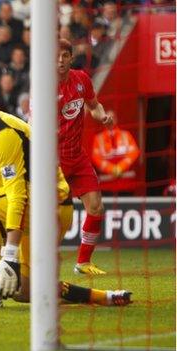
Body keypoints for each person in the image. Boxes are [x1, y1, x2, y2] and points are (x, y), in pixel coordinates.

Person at [0, 69, 131, 308]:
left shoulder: (4, 134)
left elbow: (17, 194)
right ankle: (105, 297)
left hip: (46, 206)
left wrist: (9, 253)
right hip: (42, 208)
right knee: (24, 292)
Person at [57, 39, 113, 275]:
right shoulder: (43, 86)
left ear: (71, 57)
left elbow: (94, 105)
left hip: (76, 157)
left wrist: (102, 116)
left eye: (64, 55)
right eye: (55, 56)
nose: (60, 60)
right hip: (52, 160)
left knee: (97, 207)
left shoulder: (81, 79)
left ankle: (83, 262)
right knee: (51, 218)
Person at [91, 111, 140, 193]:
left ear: (116, 119)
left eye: (112, 117)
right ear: (103, 121)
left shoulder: (126, 135)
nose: (110, 120)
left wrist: (121, 167)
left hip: (126, 185)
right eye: (107, 118)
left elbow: (134, 152)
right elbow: (96, 158)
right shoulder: (98, 138)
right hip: (106, 186)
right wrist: (112, 169)